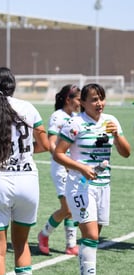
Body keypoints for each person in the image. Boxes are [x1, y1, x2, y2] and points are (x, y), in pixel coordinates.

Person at [0, 67, 49, 275]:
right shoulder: (28, 107)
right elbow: (44, 145)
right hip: (28, 181)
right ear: (12, 86)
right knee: (22, 246)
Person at [53, 83, 130, 275]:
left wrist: (116, 136)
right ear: (83, 102)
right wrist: (82, 168)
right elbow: (58, 154)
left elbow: (126, 153)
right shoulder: (75, 123)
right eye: (94, 99)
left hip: (103, 186)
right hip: (80, 185)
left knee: (93, 237)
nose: (100, 103)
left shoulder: (111, 121)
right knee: (91, 234)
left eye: (102, 98)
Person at [37, 84, 81, 256]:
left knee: (74, 206)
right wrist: (64, 163)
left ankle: (71, 245)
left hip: (74, 167)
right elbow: (51, 143)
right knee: (68, 208)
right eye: (78, 99)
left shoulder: (76, 116)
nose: (80, 102)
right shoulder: (58, 116)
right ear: (68, 99)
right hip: (62, 168)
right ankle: (44, 234)